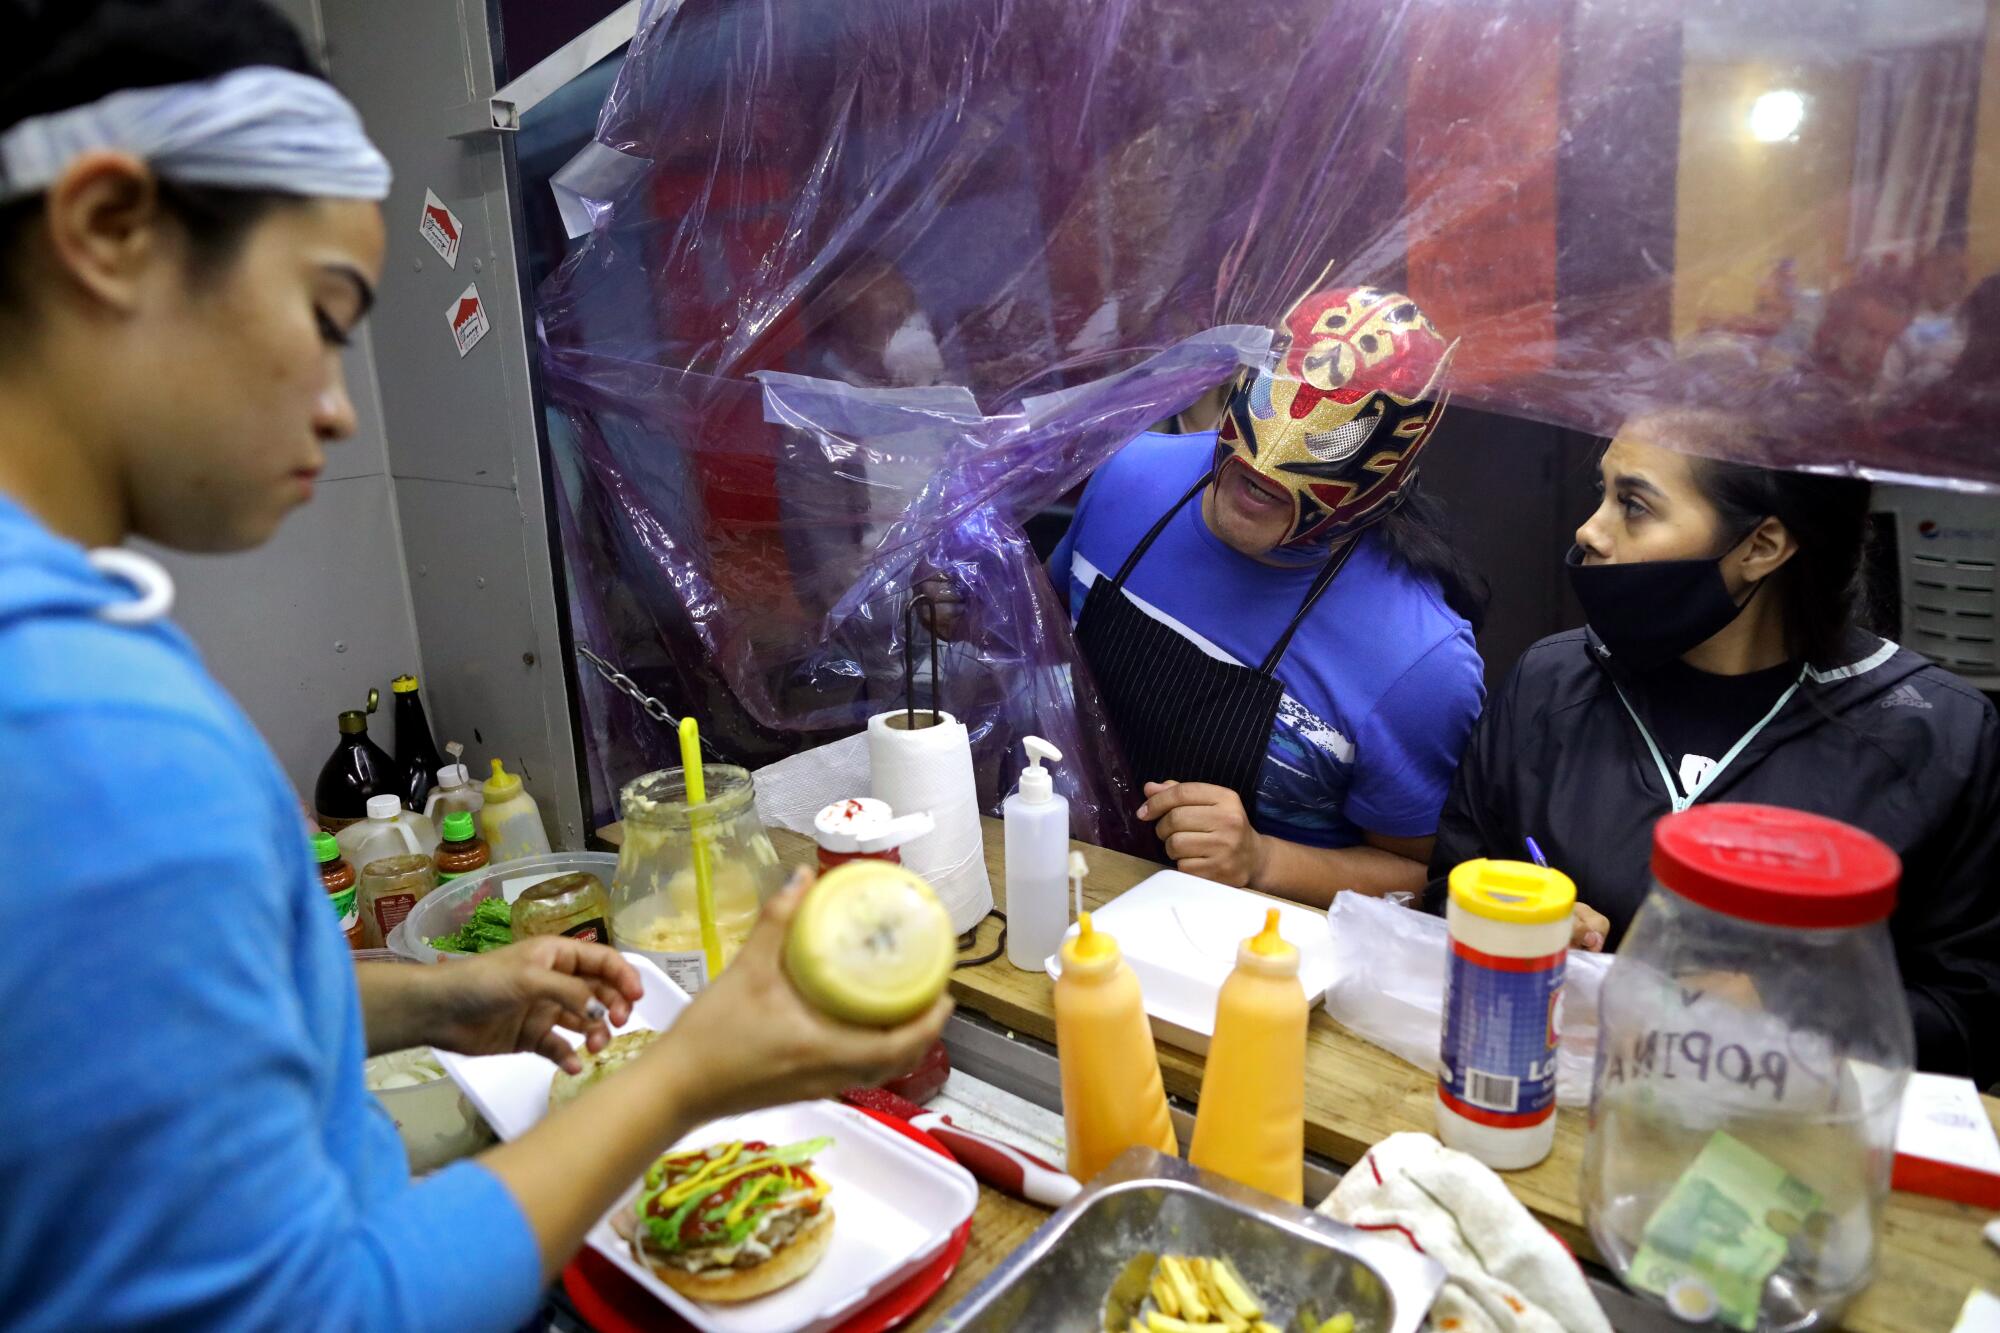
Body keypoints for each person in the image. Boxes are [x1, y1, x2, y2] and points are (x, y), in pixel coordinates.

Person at [0, 4, 948, 1329]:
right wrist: (682, 1080)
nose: (337, 403)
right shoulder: (94, 735)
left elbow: (120, 1041)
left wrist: (430, 995)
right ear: (110, 231)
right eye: (326, 313)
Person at [1428, 407, 2000, 1085]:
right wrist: (1512, 920)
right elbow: (1445, 892)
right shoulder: (1551, 687)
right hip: (1545, 1101)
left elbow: (1971, 1021)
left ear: (1761, 546)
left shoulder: (1931, 736)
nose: (1591, 531)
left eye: (1633, 505)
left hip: (1787, 1148)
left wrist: (1789, 1009)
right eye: (1601, 493)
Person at [1049, 286, 1487, 905]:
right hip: (1063, 883)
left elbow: (1422, 880)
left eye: (1332, 440)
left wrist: (1264, 858)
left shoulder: (1420, 662)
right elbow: (1037, 643)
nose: (1265, 470)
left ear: (1390, 471)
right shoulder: (1129, 475)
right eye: (1273, 396)